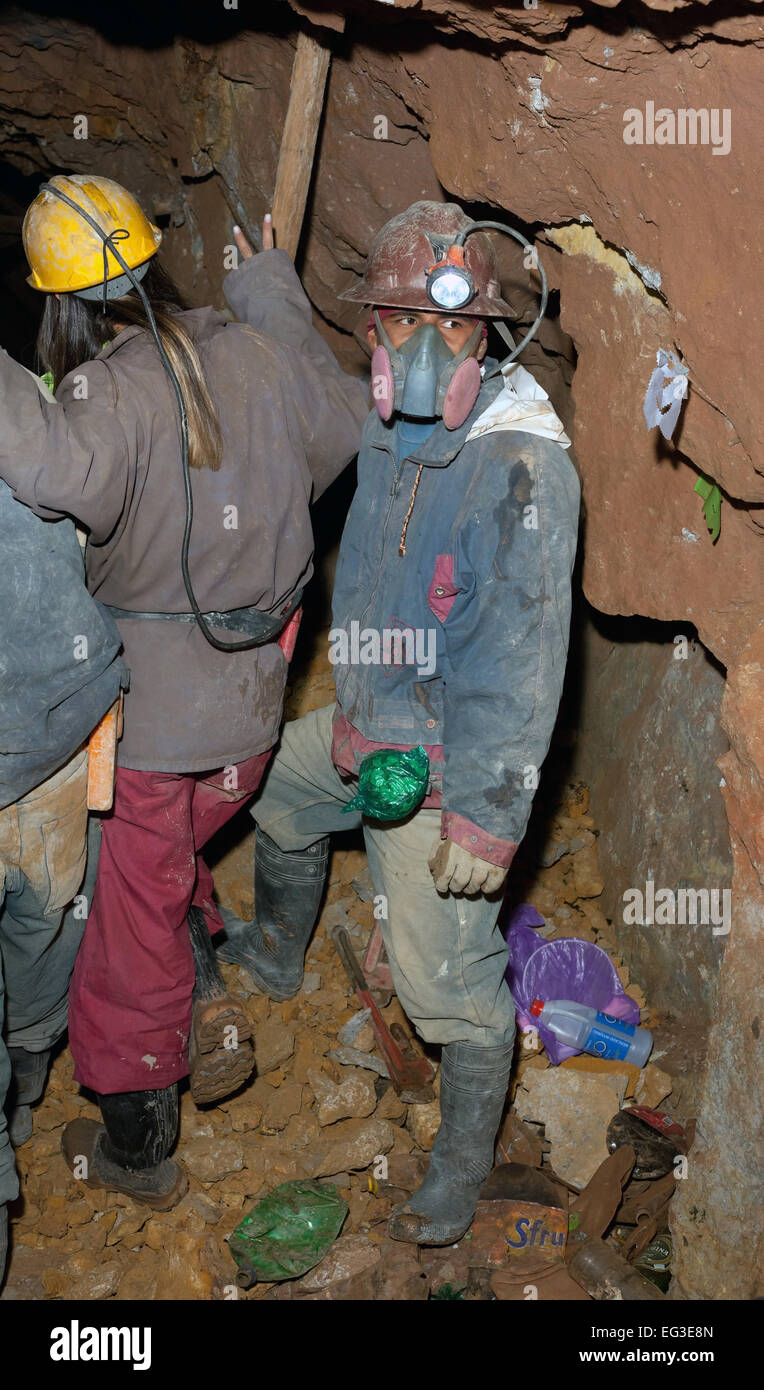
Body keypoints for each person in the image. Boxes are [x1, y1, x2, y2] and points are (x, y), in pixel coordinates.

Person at [0, 173, 368, 1209]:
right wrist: (270, 296)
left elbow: (50, 463)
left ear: (57, 303)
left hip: (158, 738)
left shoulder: (101, 398)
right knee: (173, 872)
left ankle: (141, 1143)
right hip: (251, 716)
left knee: (123, 944)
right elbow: (342, 416)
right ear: (153, 259)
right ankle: (204, 975)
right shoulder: (257, 355)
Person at [217, 201, 581, 1245]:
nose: (423, 351)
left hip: (445, 763)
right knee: (271, 793)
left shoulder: (519, 468)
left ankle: (458, 1174)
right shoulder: (386, 423)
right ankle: (280, 950)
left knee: (445, 992)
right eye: (400, 323)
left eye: (454, 329)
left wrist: (485, 817)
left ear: (489, 334)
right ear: (370, 328)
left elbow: (520, 661)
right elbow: (298, 381)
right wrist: (263, 284)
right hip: (368, 720)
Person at [0, 363, 126, 1279]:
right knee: (43, 919)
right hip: (52, 737)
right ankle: (30, 1081)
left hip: (42, 737)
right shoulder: (33, 417)